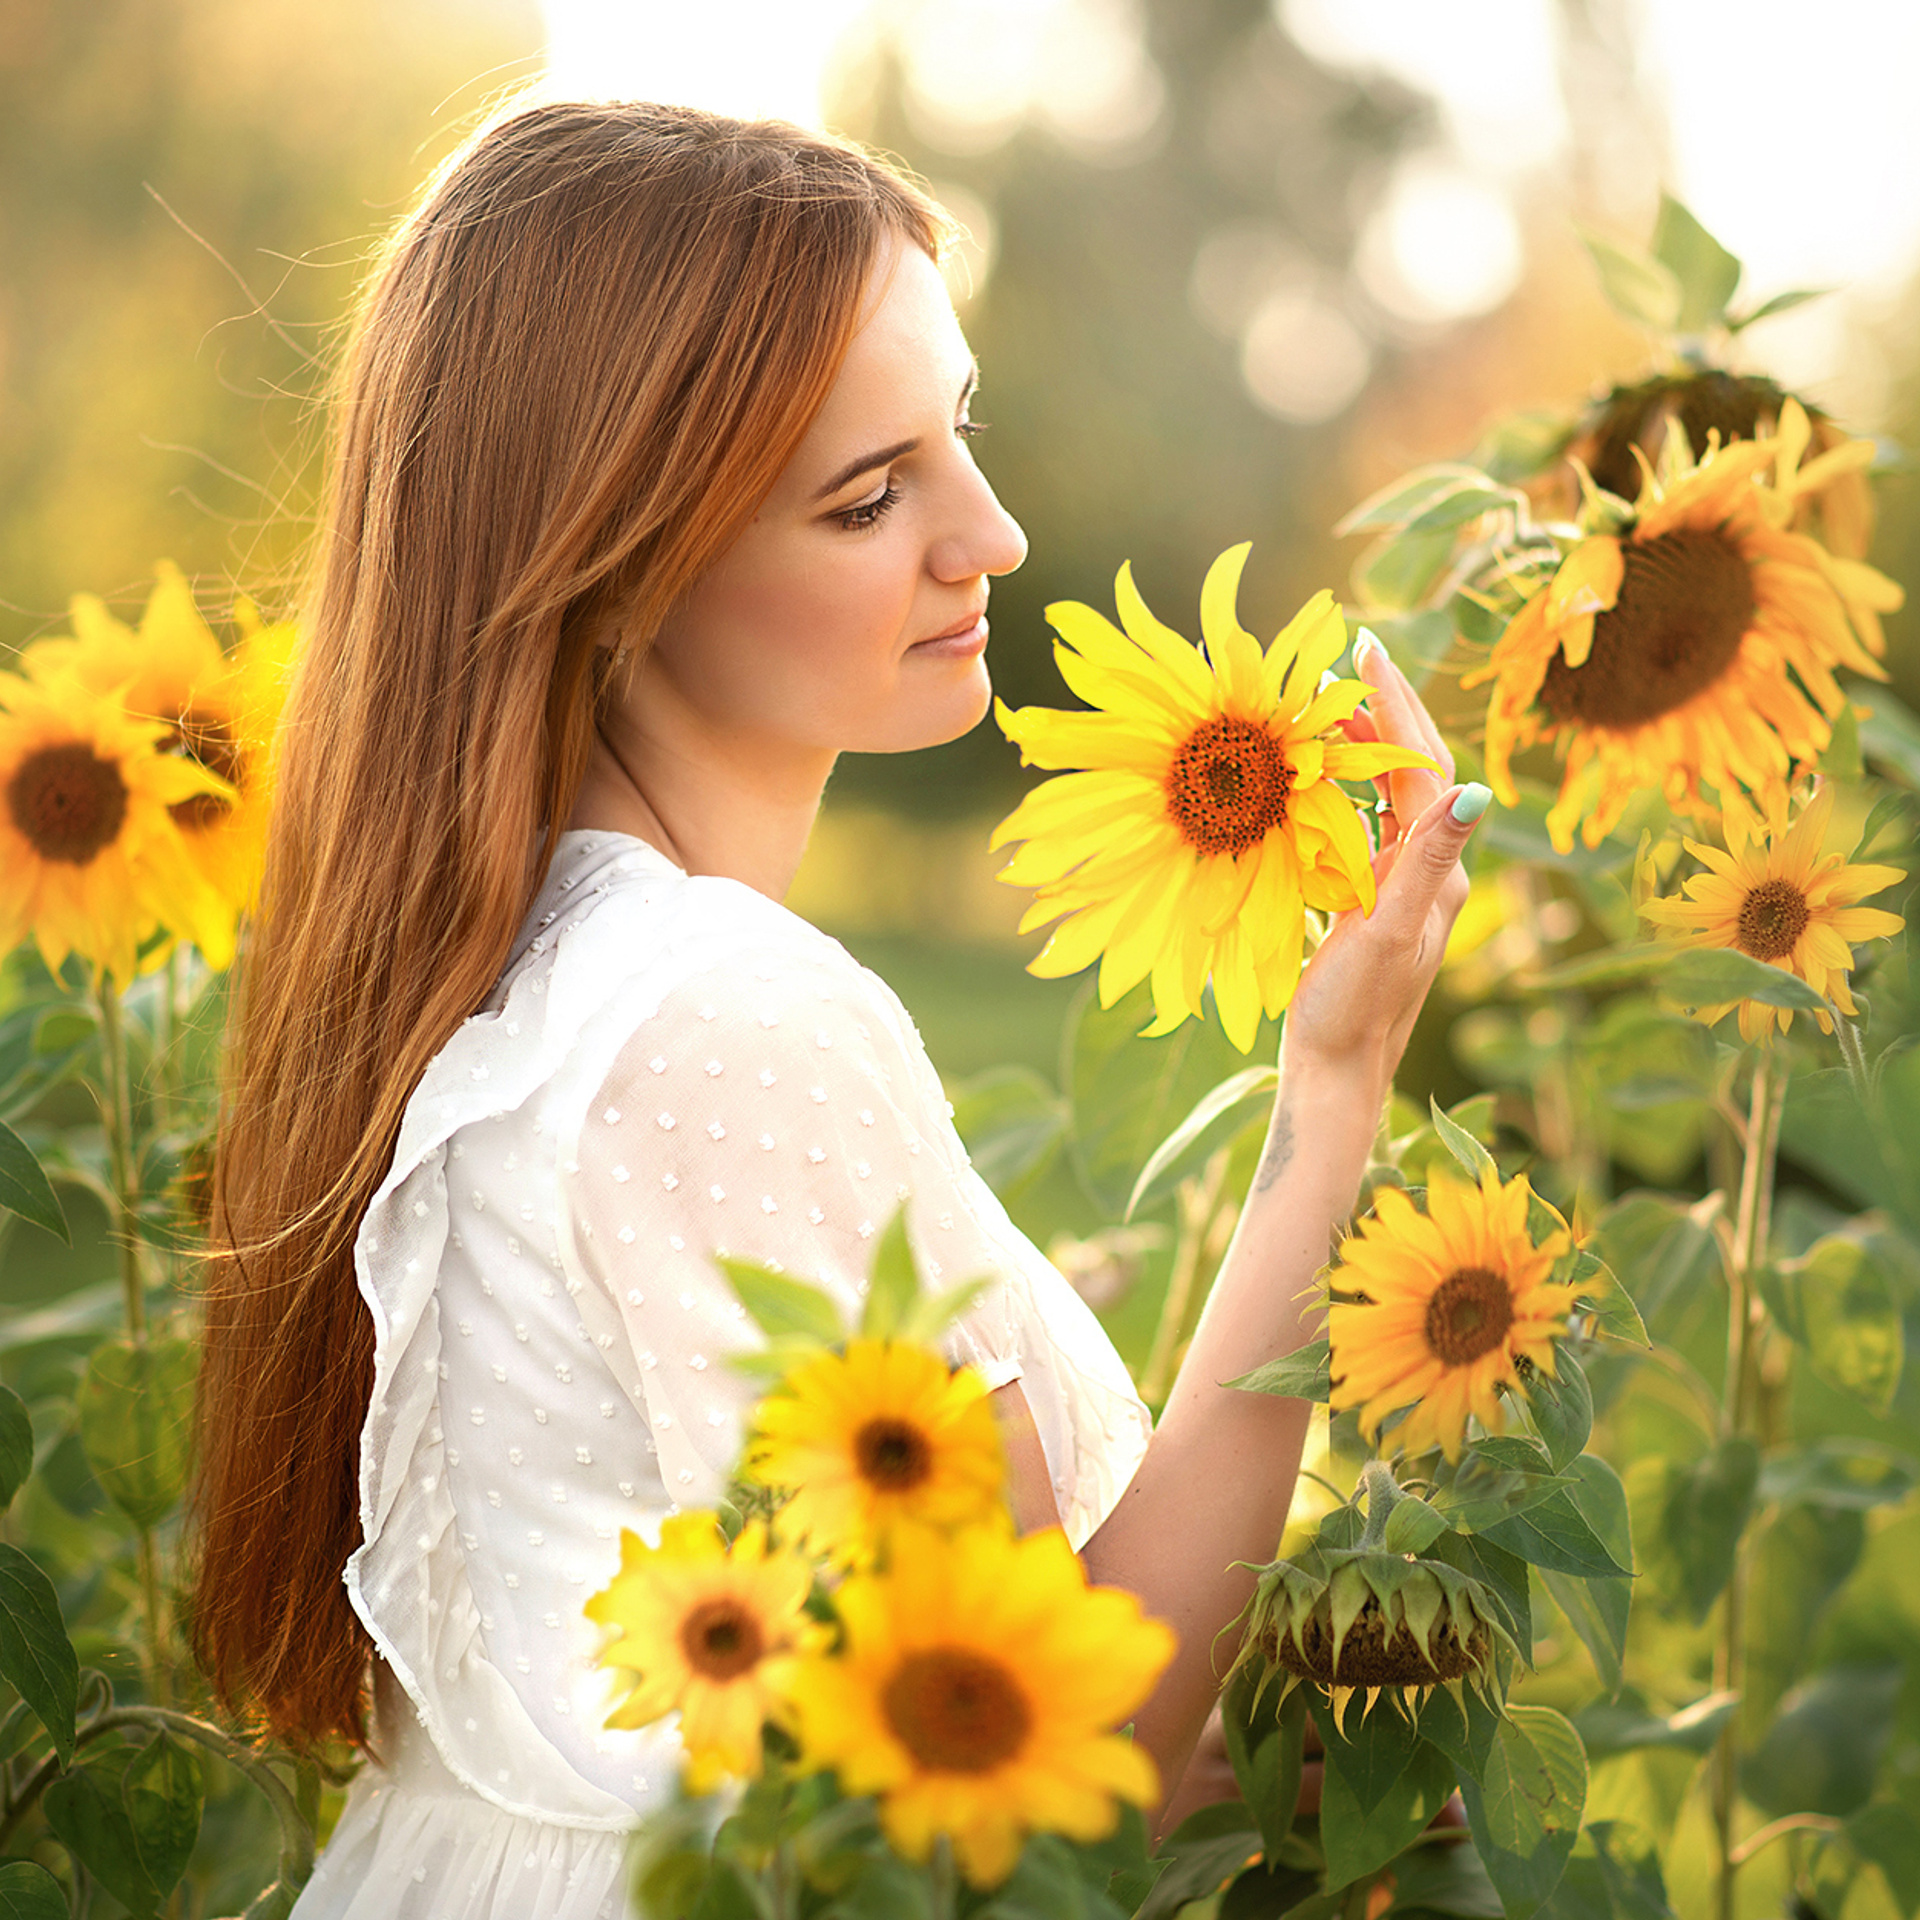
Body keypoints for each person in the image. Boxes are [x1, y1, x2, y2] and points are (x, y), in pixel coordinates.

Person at [192, 99, 1482, 1919]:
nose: (998, 535)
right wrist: (1334, 1085)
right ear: (619, 562)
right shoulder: (726, 1017)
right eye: (868, 496)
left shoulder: (519, 960)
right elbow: (1051, 1779)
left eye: (960, 433)